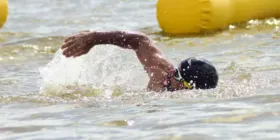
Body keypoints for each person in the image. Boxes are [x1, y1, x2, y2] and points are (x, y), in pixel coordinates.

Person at [61, 30, 219, 92]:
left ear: (189, 87)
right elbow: (140, 40)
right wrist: (95, 38)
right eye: (175, 70)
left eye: (177, 75)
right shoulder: (161, 73)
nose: (171, 74)